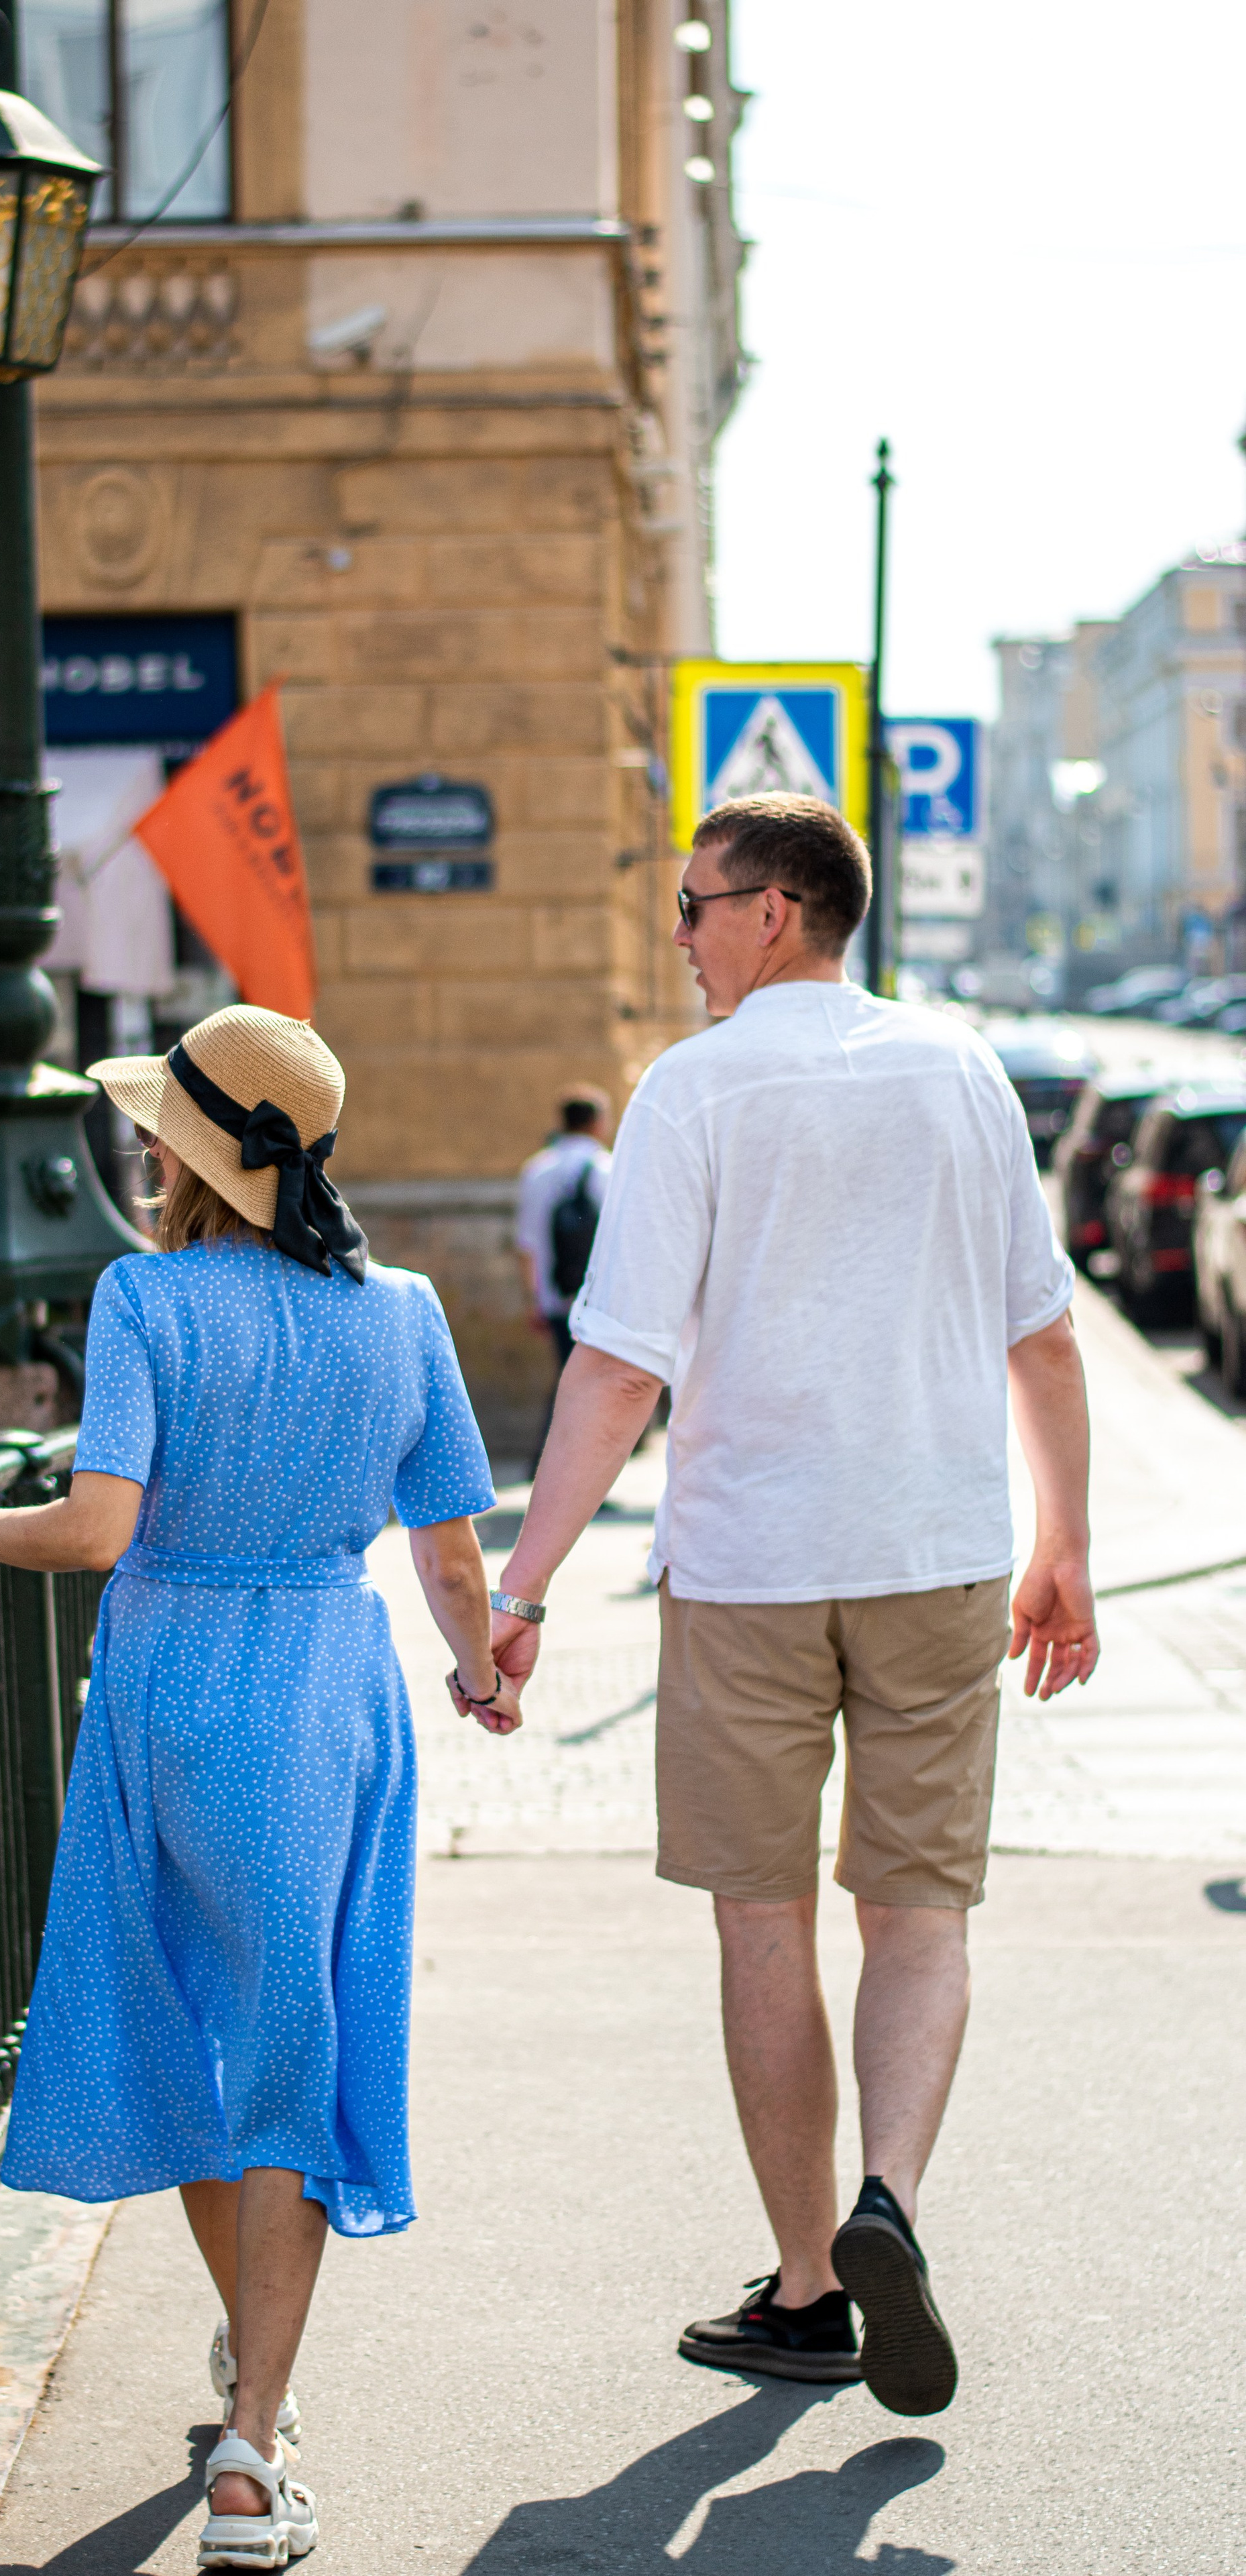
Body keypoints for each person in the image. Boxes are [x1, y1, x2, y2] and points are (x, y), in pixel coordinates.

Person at [486, 794, 1098, 2419]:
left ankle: (810, 2289)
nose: (676, 937)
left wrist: (525, 1577)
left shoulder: (690, 1090)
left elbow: (617, 1366)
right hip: (937, 1545)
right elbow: (1042, 1333)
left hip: (752, 1564)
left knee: (759, 1918)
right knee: (917, 1909)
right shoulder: (960, 1068)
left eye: (691, 906)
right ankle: (885, 2193)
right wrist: (1068, 1545)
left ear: (772, 911)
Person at [0, 1005, 516, 2570]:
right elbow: (450, 1548)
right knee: (294, 2040)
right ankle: (252, 2437)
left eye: (151, 1129)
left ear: (185, 1153)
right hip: (321, 1691)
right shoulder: (408, 1312)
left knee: (177, 2018)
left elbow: (99, 1526)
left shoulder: (145, 1295)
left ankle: (254, 2388)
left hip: (169, 1692)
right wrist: (481, 1670)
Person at [514, 1087, 613, 1464]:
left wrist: (535, 1301)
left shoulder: (537, 1169)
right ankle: (570, 1468)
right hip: (598, 1299)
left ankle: (549, 1460)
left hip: (556, 1297)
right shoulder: (607, 1168)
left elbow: (528, 1244)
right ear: (597, 1123)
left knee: (570, 1380)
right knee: (591, 1387)